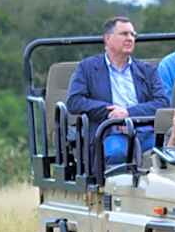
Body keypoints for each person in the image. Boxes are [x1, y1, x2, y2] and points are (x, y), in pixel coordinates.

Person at [66, 16, 168, 166]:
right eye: (124, 34)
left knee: (171, 151)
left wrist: (128, 113)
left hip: (145, 131)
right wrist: (110, 113)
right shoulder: (87, 68)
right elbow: (74, 102)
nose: (130, 38)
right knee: (117, 153)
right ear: (107, 38)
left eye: (133, 35)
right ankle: (112, 189)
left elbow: (163, 102)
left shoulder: (147, 70)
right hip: (109, 132)